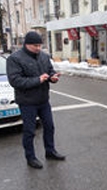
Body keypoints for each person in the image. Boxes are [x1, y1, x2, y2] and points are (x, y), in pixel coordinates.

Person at [6, 31, 66, 169]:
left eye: (40, 45)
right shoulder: (14, 59)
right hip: (27, 102)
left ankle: (50, 151)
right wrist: (38, 80)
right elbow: (15, 81)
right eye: (35, 46)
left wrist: (53, 77)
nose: (38, 48)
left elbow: (50, 71)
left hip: (43, 100)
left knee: (49, 127)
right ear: (26, 44)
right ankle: (30, 157)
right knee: (30, 131)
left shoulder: (44, 56)